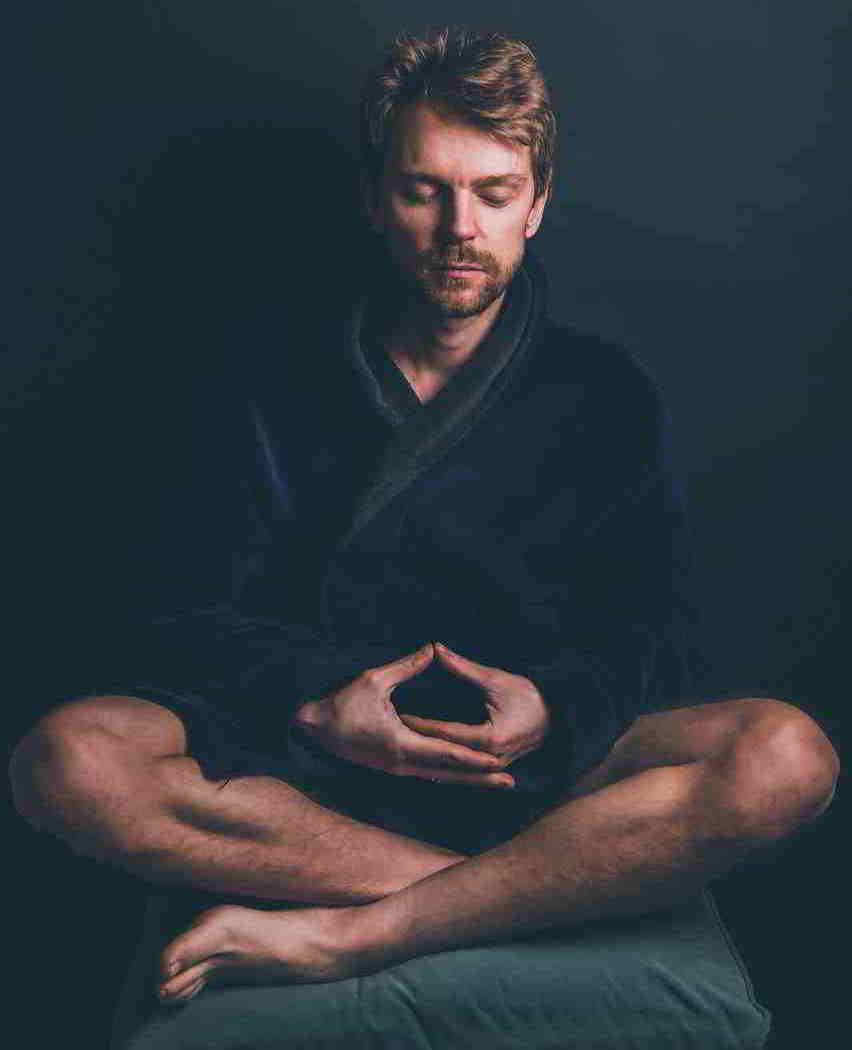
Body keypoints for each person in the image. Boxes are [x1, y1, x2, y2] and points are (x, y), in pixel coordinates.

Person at [9, 24, 838, 1042]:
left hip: (525, 766)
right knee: (69, 762)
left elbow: (650, 629)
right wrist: (320, 703)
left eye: (493, 192)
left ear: (537, 204)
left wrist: (551, 705)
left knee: (785, 755)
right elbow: (175, 612)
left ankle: (359, 933)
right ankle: (530, 896)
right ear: (375, 198)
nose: (459, 227)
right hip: (309, 771)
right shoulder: (258, 376)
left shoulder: (601, 393)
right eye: (425, 189)